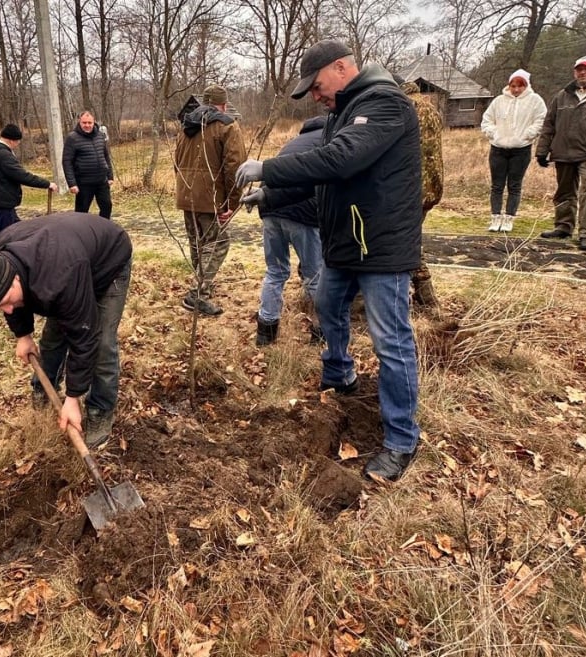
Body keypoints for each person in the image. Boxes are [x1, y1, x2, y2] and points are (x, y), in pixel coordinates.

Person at [237, 40, 423, 482]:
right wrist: (272, 194)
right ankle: (340, 375)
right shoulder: (345, 110)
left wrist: (267, 167)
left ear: (342, 68)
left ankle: (401, 440)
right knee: (327, 304)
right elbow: (324, 178)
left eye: (317, 86)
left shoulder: (384, 104)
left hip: (380, 245)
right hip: (345, 242)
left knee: (390, 341)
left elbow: (341, 160)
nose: (315, 96)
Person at [0, 212, 132, 447]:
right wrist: (23, 335)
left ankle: (100, 410)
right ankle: (44, 389)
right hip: (68, 256)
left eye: (7, 301)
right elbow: (10, 300)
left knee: (101, 344)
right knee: (53, 337)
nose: (8, 310)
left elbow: (84, 335)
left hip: (109, 261)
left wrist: (72, 398)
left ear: (15, 279)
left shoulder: (60, 275)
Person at [252, 117, 326, 346]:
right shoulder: (328, 141)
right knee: (315, 276)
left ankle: (266, 331)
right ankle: (322, 331)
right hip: (301, 214)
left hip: (270, 209)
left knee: (275, 271)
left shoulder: (294, 142)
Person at [174, 84, 247, 317]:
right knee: (218, 243)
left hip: (186, 194)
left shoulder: (186, 126)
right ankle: (198, 294)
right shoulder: (227, 125)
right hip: (211, 197)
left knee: (197, 243)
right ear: (224, 104)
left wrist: (186, 189)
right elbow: (235, 167)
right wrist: (232, 203)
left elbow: (176, 161)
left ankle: (200, 287)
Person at [481, 69, 546, 233]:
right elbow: (487, 120)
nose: (516, 89)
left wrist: (528, 135)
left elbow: (541, 120)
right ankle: (495, 217)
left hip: (521, 150)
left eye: (520, 86)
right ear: (509, 85)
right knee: (497, 185)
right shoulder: (499, 101)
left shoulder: (535, 101)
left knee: (514, 185)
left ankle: (509, 218)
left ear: (526, 86)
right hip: (498, 149)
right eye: (513, 85)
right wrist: (494, 134)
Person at [535, 56, 586, 251]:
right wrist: (542, 151)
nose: (582, 73)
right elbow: (549, 124)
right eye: (579, 70)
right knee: (564, 192)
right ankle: (563, 226)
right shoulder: (562, 96)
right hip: (563, 152)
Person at [400, 79, 444, 307]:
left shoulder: (405, 107)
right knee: (411, 240)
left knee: (408, 243)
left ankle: (427, 300)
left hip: (412, 188)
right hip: (432, 185)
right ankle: (425, 298)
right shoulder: (429, 107)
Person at [0, 123, 58, 234]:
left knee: (16, 228)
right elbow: (22, 176)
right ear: (12, 140)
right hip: (2, 200)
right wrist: (47, 184)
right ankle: (2, 250)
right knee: (7, 233)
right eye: (18, 142)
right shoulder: (3, 155)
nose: (17, 144)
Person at [62, 110, 114, 219]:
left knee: (107, 206)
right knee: (81, 212)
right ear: (79, 123)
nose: (87, 125)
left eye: (89, 123)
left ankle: (102, 230)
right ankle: (80, 233)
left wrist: (110, 176)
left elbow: (106, 156)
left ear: (94, 122)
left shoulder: (100, 135)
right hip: (83, 183)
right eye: (84, 123)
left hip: (101, 181)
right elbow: (67, 162)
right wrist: (72, 184)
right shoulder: (72, 138)